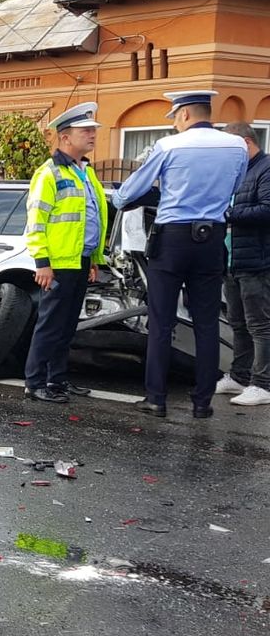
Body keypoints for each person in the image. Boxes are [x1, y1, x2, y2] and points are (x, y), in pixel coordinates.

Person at [114, 90, 247, 418]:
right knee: (206, 322)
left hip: (172, 239)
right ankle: (202, 403)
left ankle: (156, 399)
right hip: (212, 238)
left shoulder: (169, 146)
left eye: (175, 117)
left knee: (161, 321)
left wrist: (122, 199)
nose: (174, 123)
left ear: (186, 114)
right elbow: (236, 187)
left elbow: (131, 190)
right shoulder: (237, 146)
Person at [22, 102, 108, 404]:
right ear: (65, 137)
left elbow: (93, 216)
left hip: (80, 260)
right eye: (85, 131)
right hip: (58, 263)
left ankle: (57, 380)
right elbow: (36, 222)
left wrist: (95, 258)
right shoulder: (49, 174)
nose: (92, 135)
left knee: (68, 325)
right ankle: (35, 382)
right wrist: (42, 263)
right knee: (51, 325)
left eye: (93, 130)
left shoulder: (84, 172)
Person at [214, 122, 270, 406]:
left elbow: (267, 209)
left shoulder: (266, 168)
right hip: (233, 260)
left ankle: (262, 384)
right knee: (237, 323)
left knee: (259, 324)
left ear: (246, 143)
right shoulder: (239, 172)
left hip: (257, 261)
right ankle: (239, 376)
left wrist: (228, 213)